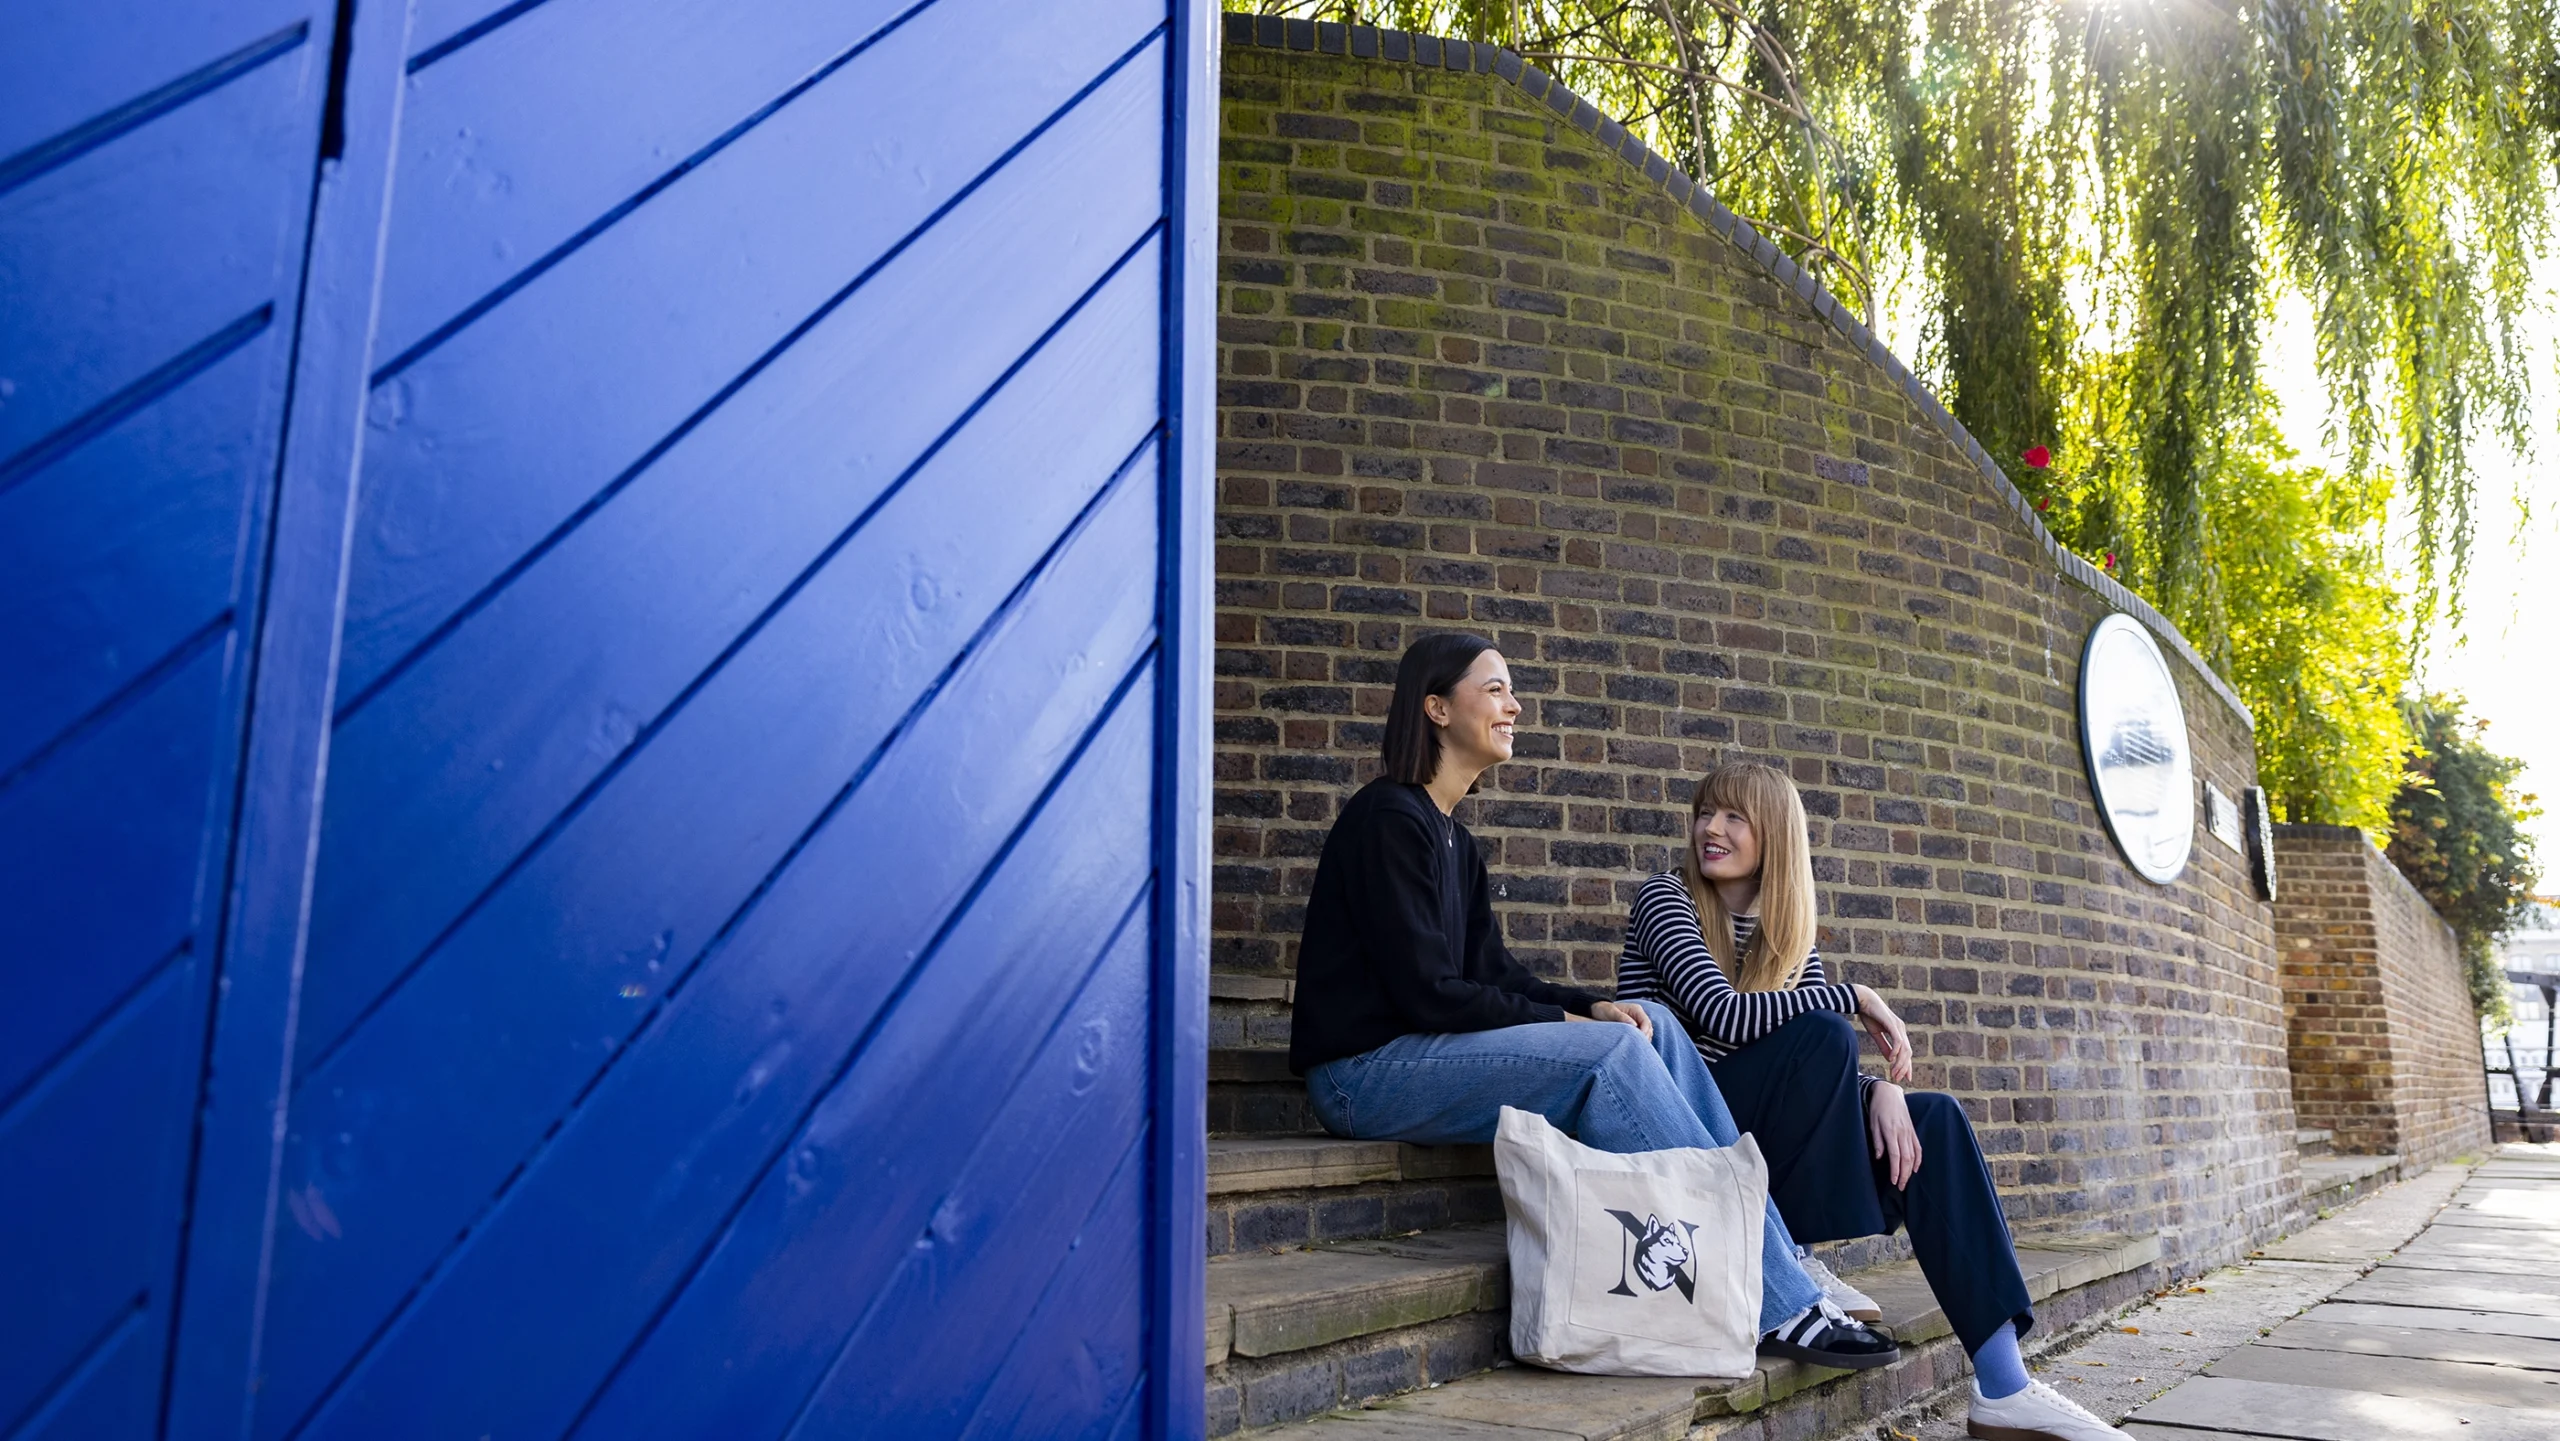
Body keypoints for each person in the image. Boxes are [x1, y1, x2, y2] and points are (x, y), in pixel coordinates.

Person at [1289, 633, 1896, 1371]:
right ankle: (1782, 1301)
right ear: (1437, 708)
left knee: (1656, 1023)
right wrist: (1575, 1022)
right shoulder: (1388, 820)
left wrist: (1593, 1002)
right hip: (1362, 1075)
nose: (1514, 705)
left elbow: (1498, 973)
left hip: (1417, 1056)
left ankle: (1783, 1268)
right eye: (1496, 689)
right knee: (1611, 1053)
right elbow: (1428, 993)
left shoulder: (1454, 841)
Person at [1616, 760, 2136, 1441]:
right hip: (1683, 1133)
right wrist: (1855, 998)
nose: (1710, 828)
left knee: (1935, 1121)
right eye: (1705, 812)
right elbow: (1724, 1017)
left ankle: (2005, 1384)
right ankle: (1791, 1253)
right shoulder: (1667, 900)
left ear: (1774, 832)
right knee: (1826, 1031)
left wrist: (1876, 1089)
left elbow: (1797, 1071)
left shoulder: (1786, 934)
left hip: (1756, 1149)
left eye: (1733, 816)